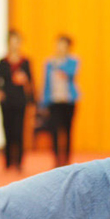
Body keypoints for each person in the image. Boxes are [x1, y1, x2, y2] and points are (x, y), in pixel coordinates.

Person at [0, 30, 34, 172]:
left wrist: (32, 100)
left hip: (20, 101)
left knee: (19, 132)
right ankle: (8, 161)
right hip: (7, 102)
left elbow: (31, 82)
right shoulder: (3, 62)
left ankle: (19, 162)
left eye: (17, 41)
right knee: (8, 131)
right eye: (12, 41)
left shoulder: (25, 62)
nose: (14, 45)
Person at [40, 35, 79, 167]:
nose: (60, 48)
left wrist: (59, 64)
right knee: (54, 131)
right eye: (58, 44)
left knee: (67, 130)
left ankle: (66, 159)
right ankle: (56, 160)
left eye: (63, 45)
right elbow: (46, 83)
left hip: (68, 101)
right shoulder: (49, 62)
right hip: (53, 102)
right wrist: (43, 103)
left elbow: (71, 73)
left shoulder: (73, 61)